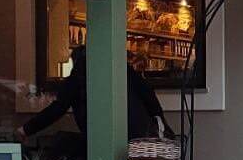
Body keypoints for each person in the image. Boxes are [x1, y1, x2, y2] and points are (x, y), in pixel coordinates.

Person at [20, 46, 174, 142]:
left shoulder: (78, 77)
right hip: (139, 136)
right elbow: (148, 95)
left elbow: (57, 109)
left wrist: (25, 130)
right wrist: (163, 125)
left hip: (102, 138)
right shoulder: (122, 70)